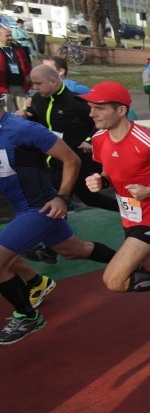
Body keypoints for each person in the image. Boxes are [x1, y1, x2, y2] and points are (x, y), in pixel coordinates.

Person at [0, 94, 116, 345]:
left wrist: (63, 197)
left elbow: (71, 159)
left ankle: (28, 316)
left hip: (41, 208)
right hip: (22, 208)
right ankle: (129, 262)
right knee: (76, 250)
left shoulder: (23, 129)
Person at [81, 82, 150, 319]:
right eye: (91, 107)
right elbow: (110, 172)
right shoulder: (99, 138)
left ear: (120, 111)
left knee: (114, 279)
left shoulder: (145, 141)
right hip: (129, 216)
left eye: (99, 108)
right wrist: (101, 181)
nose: (92, 113)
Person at [26, 64, 119, 212]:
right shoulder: (37, 99)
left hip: (75, 158)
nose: (35, 88)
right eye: (33, 83)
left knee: (60, 197)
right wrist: (24, 116)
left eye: (38, 84)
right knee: (85, 198)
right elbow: (36, 121)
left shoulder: (76, 101)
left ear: (53, 82)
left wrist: (89, 141)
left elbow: (101, 125)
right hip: (50, 158)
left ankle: (132, 211)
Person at [0, 26, 32, 112]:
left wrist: (29, 75)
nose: (10, 38)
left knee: (23, 111)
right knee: (9, 112)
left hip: (20, 85)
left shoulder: (17, 48)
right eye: (7, 36)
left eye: (10, 35)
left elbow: (26, 64)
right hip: (5, 88)